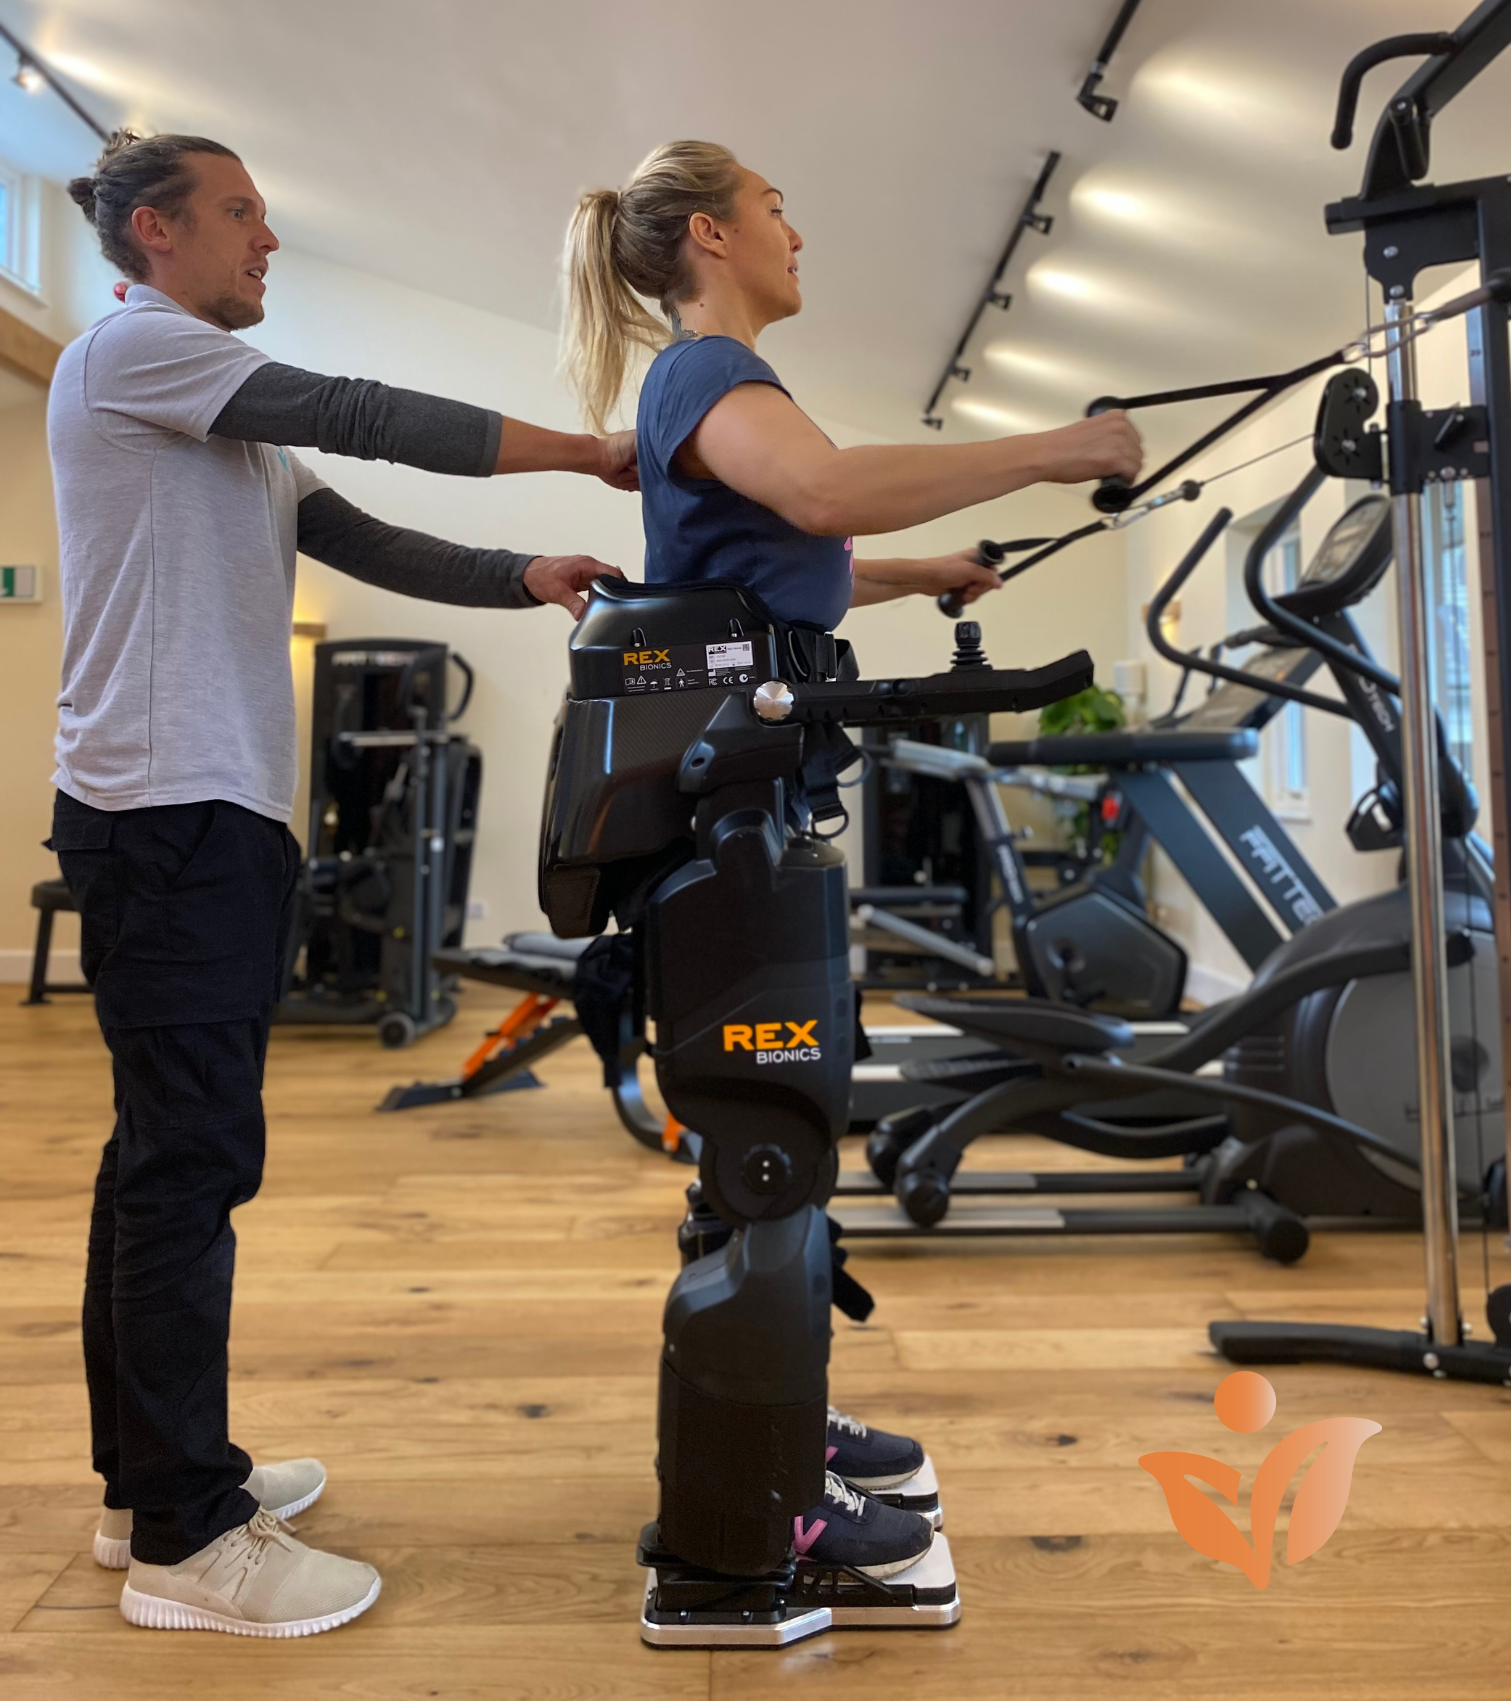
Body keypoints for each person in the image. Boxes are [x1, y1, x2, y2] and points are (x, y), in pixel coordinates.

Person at [49, 129, 636, 1641]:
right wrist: (580, 446)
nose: (270, 239)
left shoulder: (218, 418)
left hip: (201, 812)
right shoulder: (137, 357)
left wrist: (526, 573)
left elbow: (354, 527)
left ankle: (148, 1487)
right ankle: (188, 1540)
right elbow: (366, 413)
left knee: (162, 1158)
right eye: (244, 213)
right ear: (160, 232)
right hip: (169, 813)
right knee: (188, 1167)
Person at [559, 140, 1143, 1583]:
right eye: (775, 207)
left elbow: (775, 555)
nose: (795, 229)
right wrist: (1060, 446)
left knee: (781, 1127)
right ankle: (769, 1519)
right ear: (712, 231)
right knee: (770, 1136)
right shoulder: (709, 374)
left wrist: (917, 576)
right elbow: (819, 494)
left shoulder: (712, 386)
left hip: (755, 786)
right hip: (732, 805)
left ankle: (784, 1429)